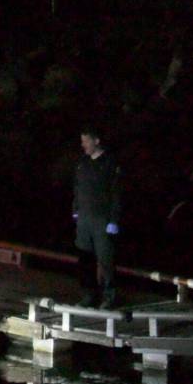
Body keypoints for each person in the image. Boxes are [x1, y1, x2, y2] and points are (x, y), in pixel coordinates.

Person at [73, 128, 121, 309]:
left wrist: (113, 220)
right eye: (82, 141)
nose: (83, 145)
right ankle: (88, 295)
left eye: (86, 141)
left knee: (105, 260)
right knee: (85, 259)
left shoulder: (109, 163)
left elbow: (116, 193)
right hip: (84, 219)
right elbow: (77, 188)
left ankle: (109, 296)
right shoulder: (83, 163)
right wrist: (75, 209)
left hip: (102, 220)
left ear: (96, 141)